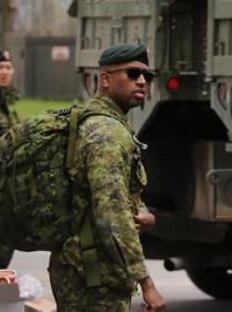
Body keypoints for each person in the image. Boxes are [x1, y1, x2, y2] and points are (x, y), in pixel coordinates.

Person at [51, 42, 166, 312]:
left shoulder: (100, 122)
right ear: (105, 79)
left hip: (85, 269)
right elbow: (111, 214)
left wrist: (142, 213)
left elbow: (110, 195)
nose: (141, 82)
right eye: (132, 74)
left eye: (146, 76)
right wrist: (146, 283)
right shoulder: (107, 133)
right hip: (93, 276)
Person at [0, 48, 19, 270]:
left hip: (2, 189)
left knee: (1, 251)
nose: (5, 72)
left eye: (8, 67)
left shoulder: (3, 101)